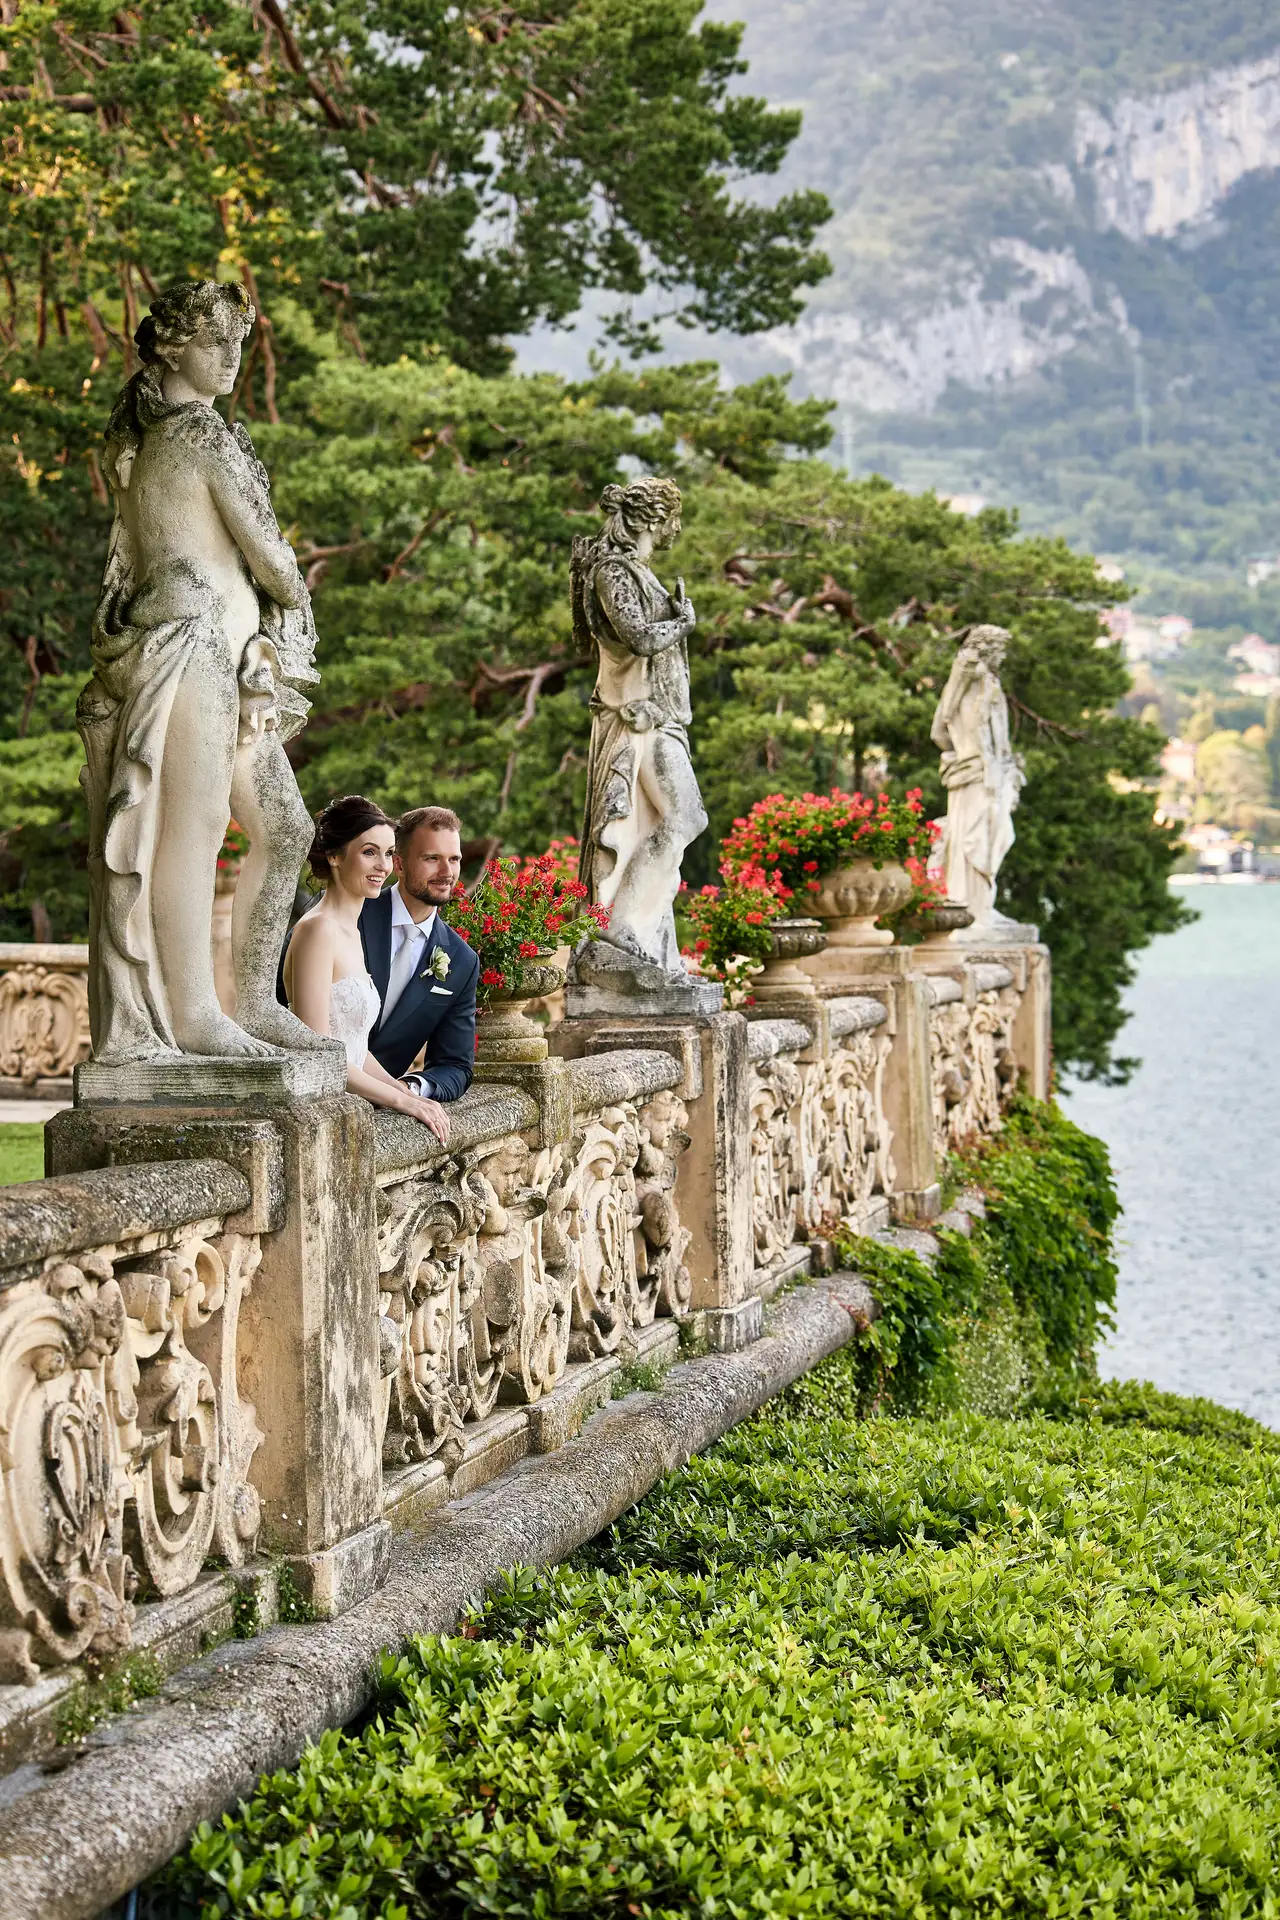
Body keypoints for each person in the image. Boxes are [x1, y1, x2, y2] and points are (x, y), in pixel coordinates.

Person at [82, 278, 325, 1063]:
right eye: (215, 341)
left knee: (283, 828)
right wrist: (286, 582)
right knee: (194, 832)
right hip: (193, 648)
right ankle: (193, 1013)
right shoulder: (197, 436)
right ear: (170, 346)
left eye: (239, 343)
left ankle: (253, 1003)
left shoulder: (165, 437)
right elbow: (274, 563)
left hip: (229, 660)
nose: (232, 357)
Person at [571, 477, 708, 977]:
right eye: (674, 517)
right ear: (653, 520)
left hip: (656, 715)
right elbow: (638, 637)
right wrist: (683, 622)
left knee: (668, 821)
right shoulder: (612, 571)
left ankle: (640, 929)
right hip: (636, 717)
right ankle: (618, 924)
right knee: (685, 817)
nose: (677, 527)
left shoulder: (636, 572)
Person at [283, 795, 451, 1140]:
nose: (383, 867)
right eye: (369, 852)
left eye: (389, 853)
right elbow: (321, 1055)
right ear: (334, 857)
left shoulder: (351, 931)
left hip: (351, 1107)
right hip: (322, 1119)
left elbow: (354, 1048)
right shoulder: (317, 931)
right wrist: (402, 1103)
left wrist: (404, 1092)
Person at [359, 806, 479, 1103]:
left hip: (380, 1111)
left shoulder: (462, 961)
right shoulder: (350, 914)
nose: (447, 872)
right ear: (398, 864)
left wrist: (411, 1088)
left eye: (454, 859)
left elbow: (455, 1065)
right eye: (432, 859)